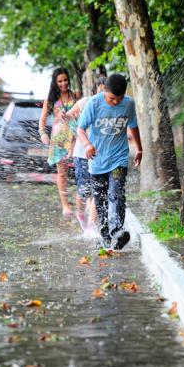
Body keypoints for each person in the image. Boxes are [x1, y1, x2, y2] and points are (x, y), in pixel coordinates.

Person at [76, 73, 143, 250]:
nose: (115, 102)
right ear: (105, 90)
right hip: (97, 161)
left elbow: (134, 126)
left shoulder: (128, 104)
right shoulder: (94, 103)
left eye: (119, 99)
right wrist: (87, 144)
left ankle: (117, 231)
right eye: (112, 98)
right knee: (101, 199)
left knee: (117, 192)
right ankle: (105, 234)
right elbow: (80, 129)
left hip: (119, 158)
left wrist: (139, 149)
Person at [65, 76, 107, 236]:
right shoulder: (85, 102)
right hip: (81, 154)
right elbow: (67, 116)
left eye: (106, 90)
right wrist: (75, 133)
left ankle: (90, 227)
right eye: (101, 89)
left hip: (99, 155)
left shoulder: (111, 106)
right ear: (95, 90)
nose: (103, 93)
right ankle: (80, 214)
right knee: (83, 191)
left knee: (98, 190)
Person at [39, 67, 77, 219]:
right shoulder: (51, 99)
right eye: (60, 81)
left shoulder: (76, 95)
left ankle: (84, 201)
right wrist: (43, 134)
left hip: (76, 137)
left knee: (83, 169)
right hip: (59, 140)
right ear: (55, 82)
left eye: (65, 80)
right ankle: (65, 205)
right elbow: (42, 120)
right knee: (62, 173)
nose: (63, 83)